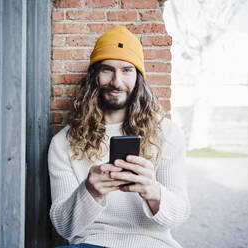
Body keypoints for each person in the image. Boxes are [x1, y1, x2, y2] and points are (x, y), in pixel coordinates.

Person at [48, 26, 190, 248]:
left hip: (152, 243)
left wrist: (152, 190)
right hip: (91, 244)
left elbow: (179, 214)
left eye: (126, 70)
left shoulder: (167, 134)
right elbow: (64, 227)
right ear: (95, 75)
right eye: (107, 70)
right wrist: (90, 191)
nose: (116, 82)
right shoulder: (63, 142)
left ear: (138, 78)